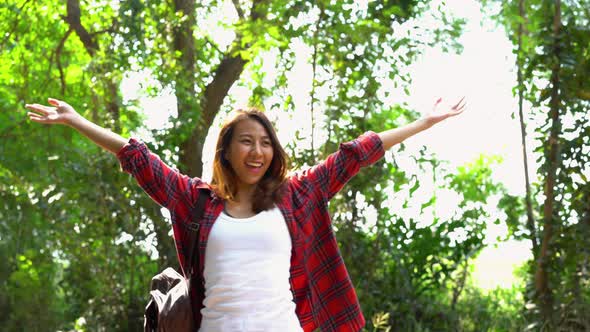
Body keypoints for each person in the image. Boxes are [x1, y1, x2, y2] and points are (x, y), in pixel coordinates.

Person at [25, 97, 465, 332]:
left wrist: (423, 123)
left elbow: (354, 155)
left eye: (266, 142)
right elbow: (138, 158)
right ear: (227, 151)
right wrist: (77, 121)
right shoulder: (196, 202)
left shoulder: (297, 195)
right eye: (247, 141)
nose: (258, 151)